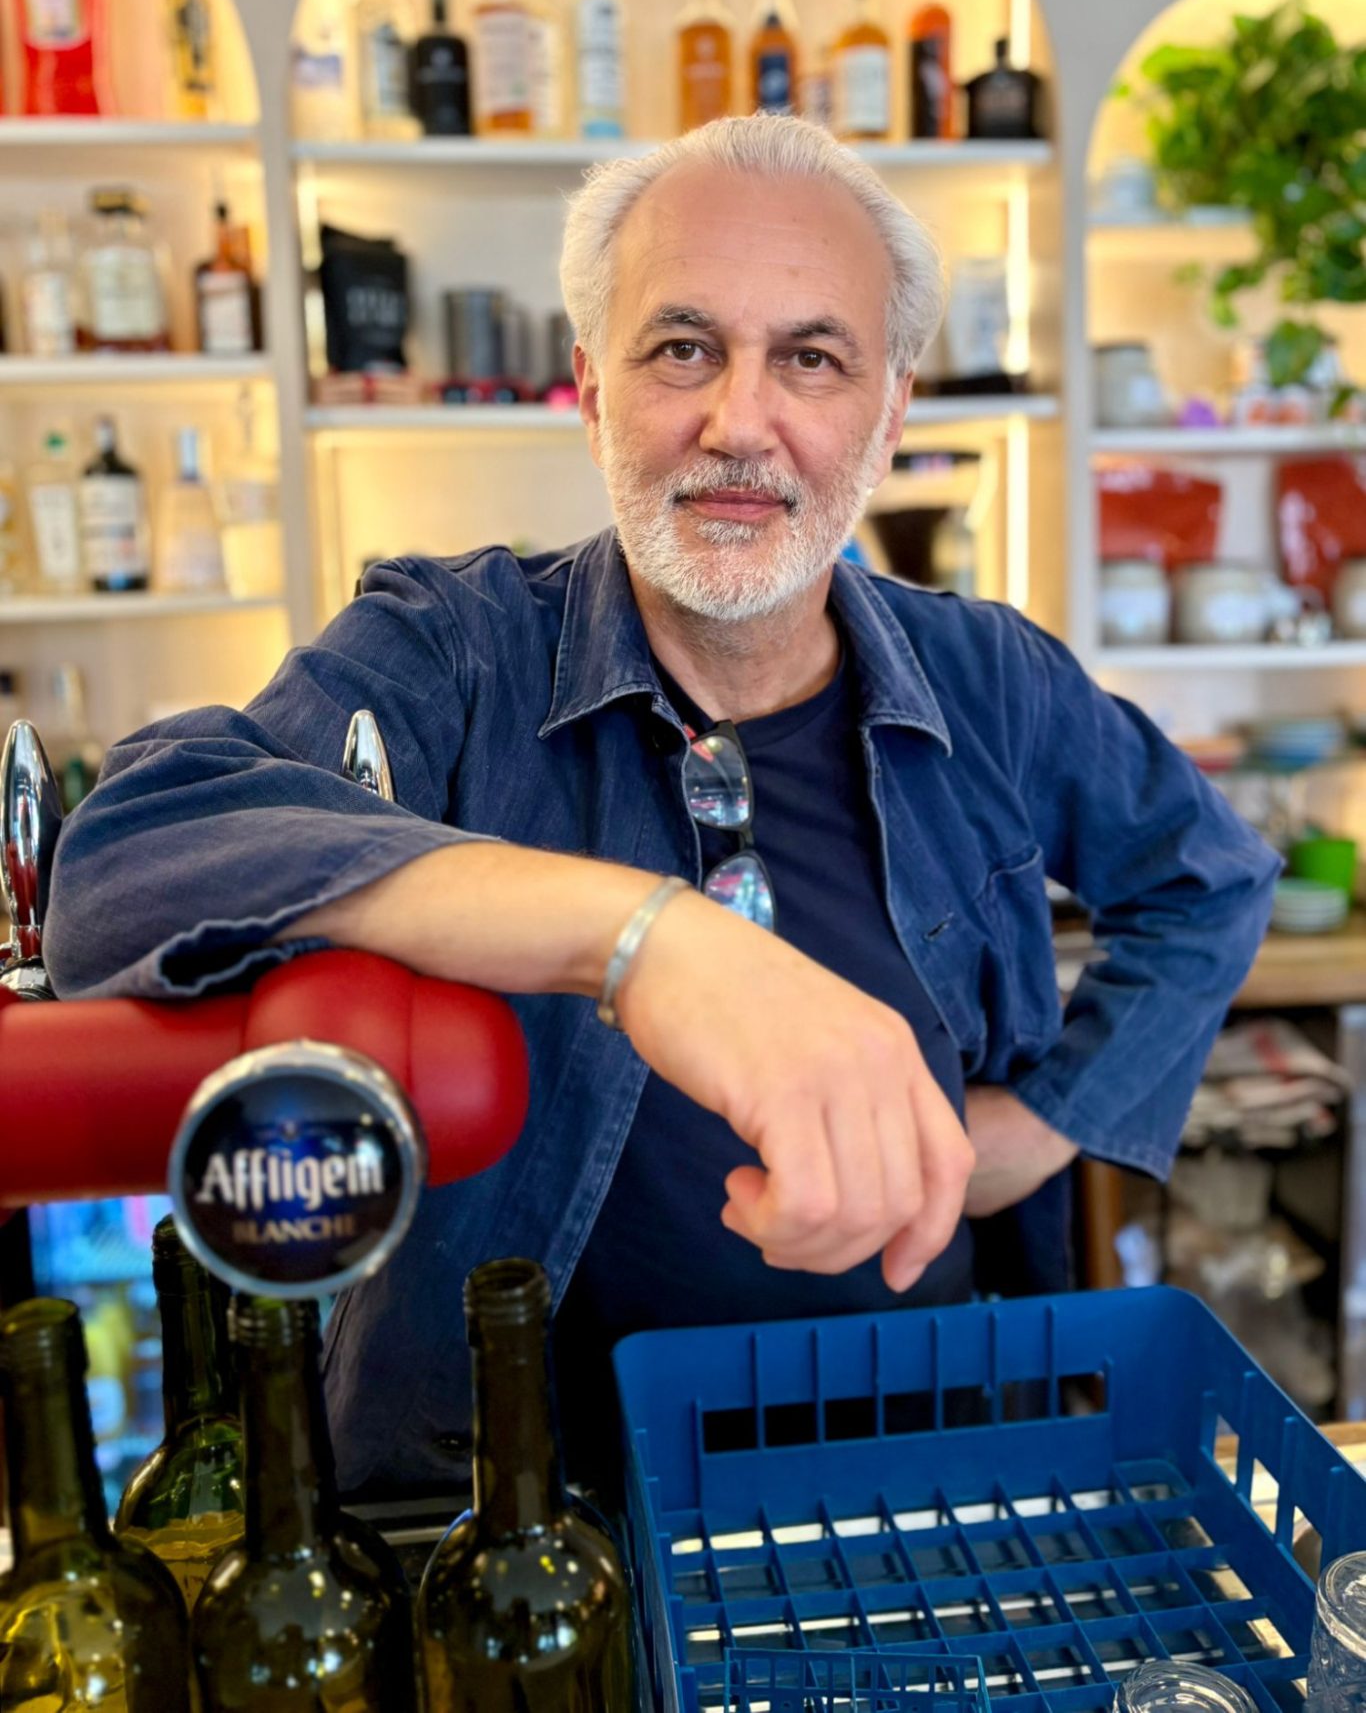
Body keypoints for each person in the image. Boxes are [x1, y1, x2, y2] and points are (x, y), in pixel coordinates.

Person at [46, 116, 1278, 1498]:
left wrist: (1040, 1126)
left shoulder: (987, 677)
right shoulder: (454, 651)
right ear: (589, 388)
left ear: (888, 415)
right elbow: (127, 854)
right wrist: (644, 940)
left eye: (810, 359)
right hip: (529, 1514)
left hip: (935, 1471)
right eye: (682, 348)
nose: (738, 423)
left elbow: (1212, 879)